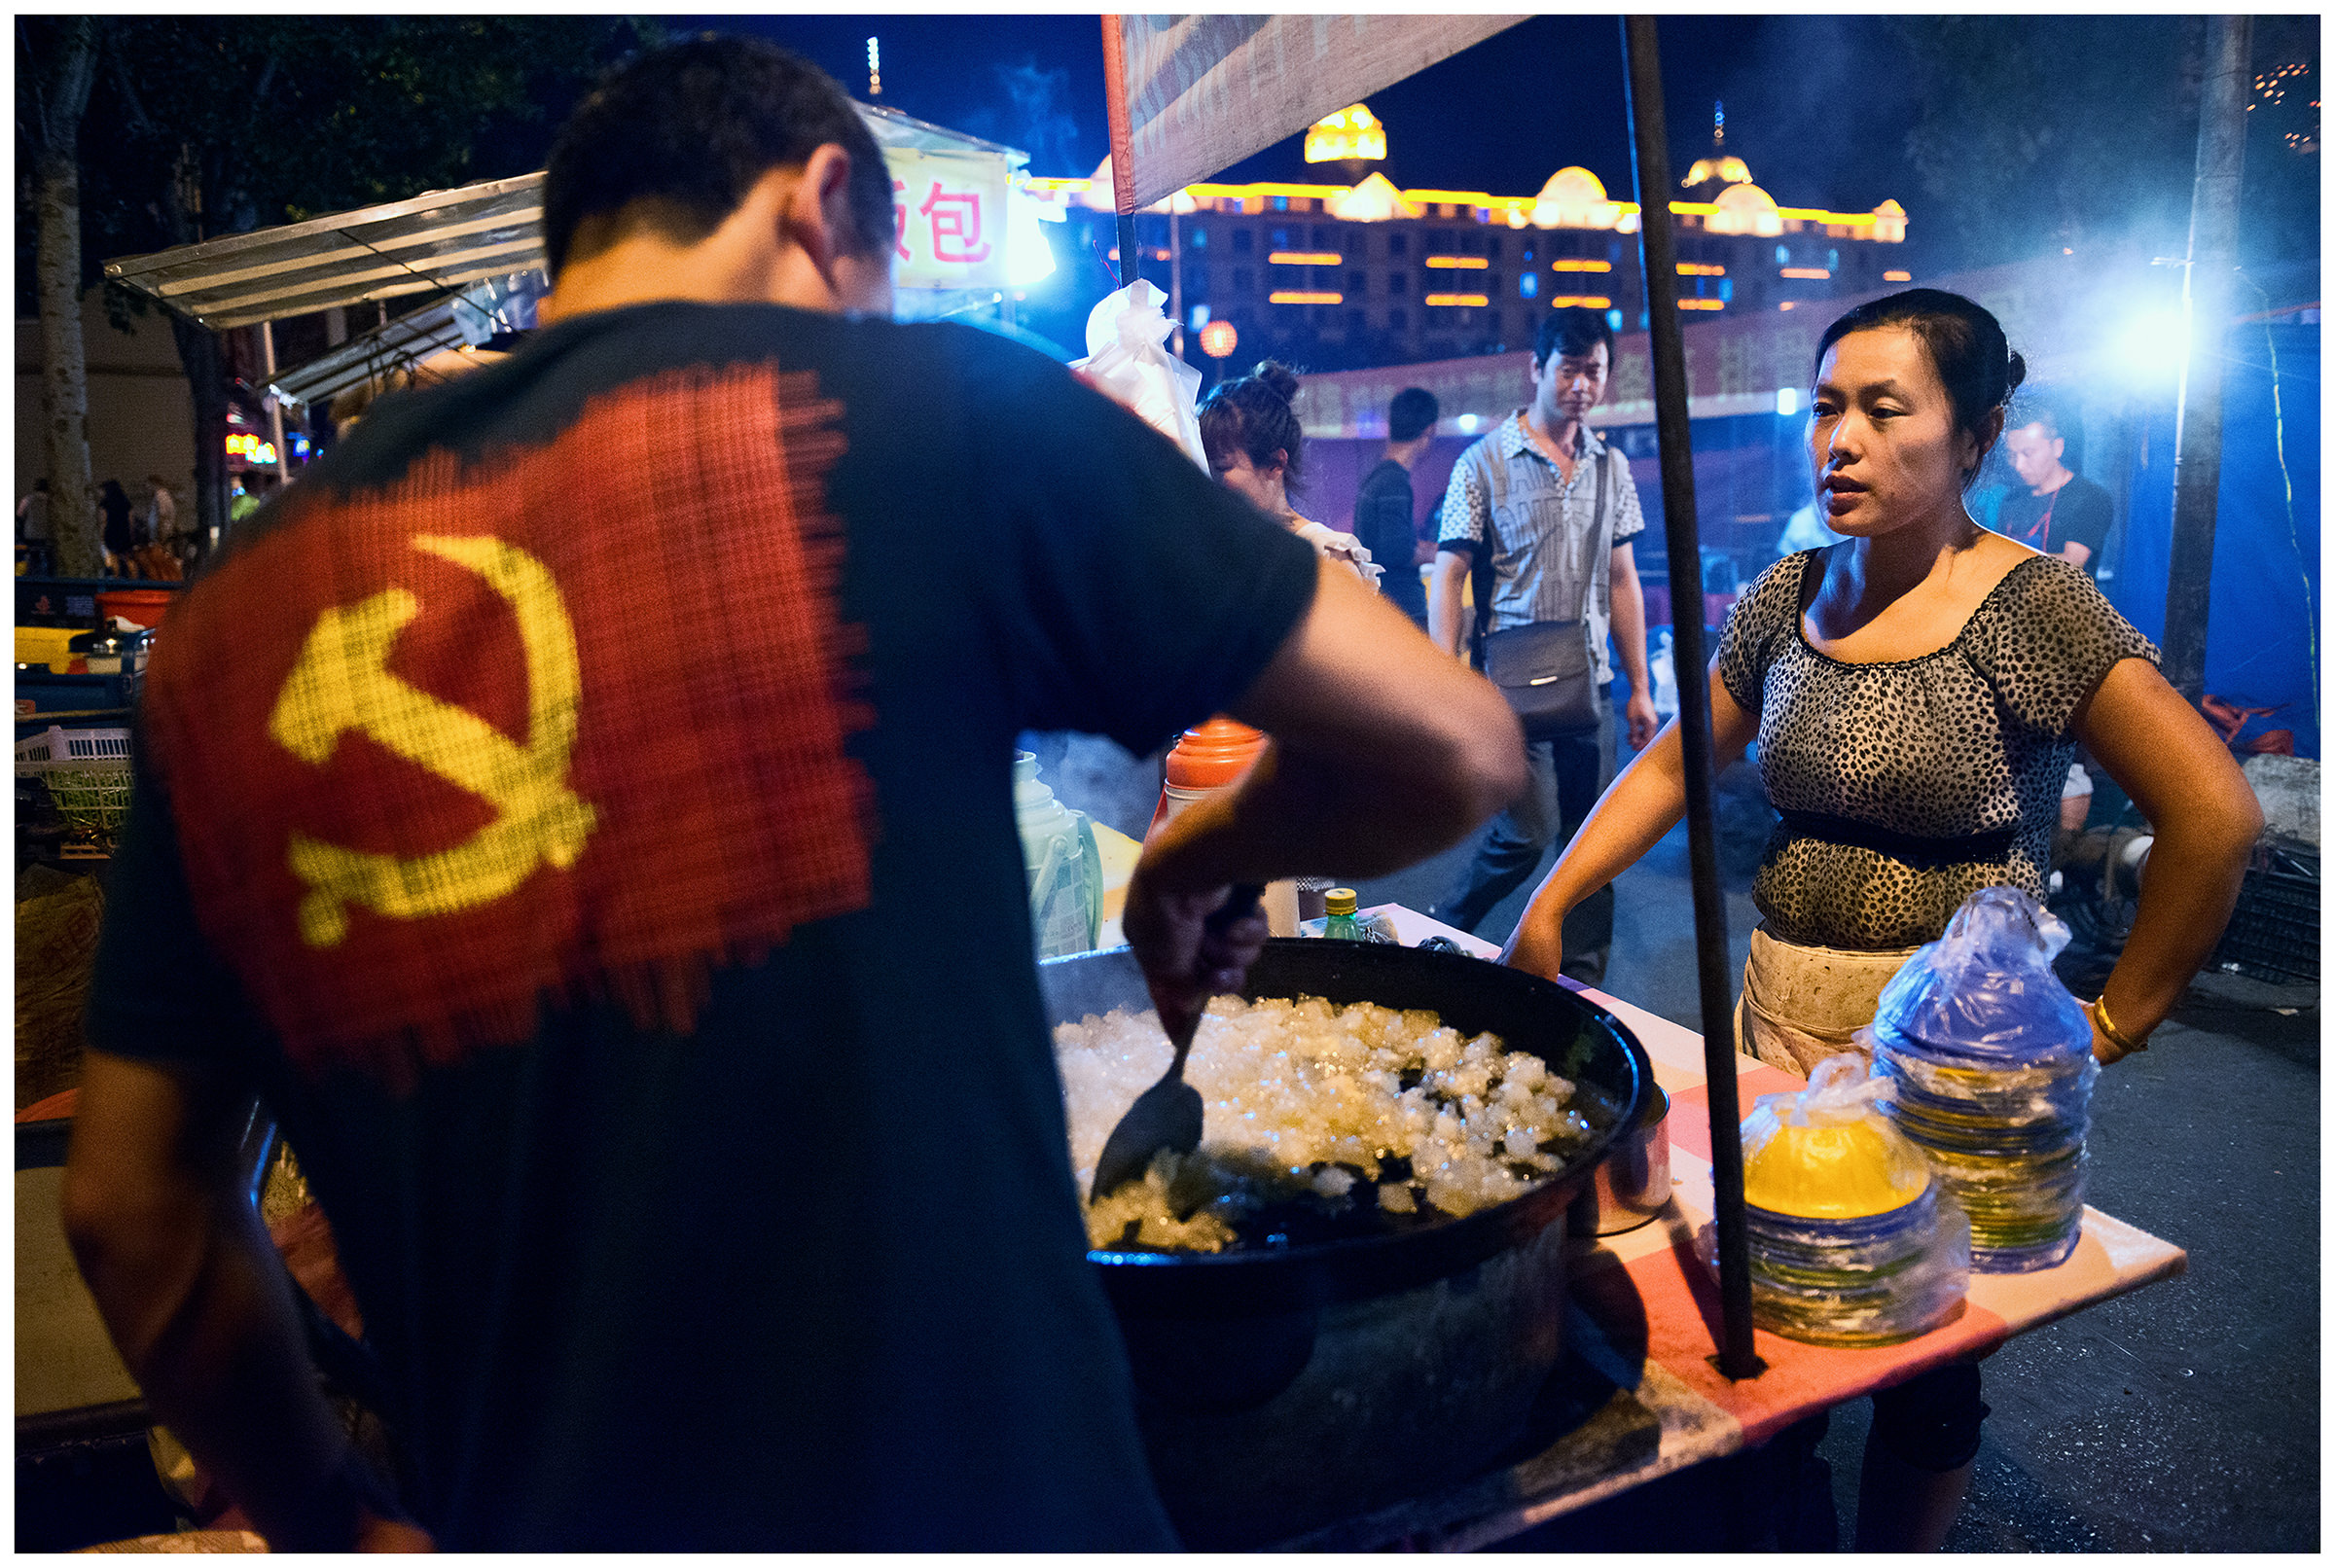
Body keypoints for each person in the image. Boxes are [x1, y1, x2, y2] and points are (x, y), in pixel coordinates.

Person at [61, 36, 1525, 1554]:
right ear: (825, 205)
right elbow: (1452, 742)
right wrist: (1194, 861)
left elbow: (132, 1213)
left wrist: (325, 1518)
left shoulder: (234, 616)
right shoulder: (927, 416)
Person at [1502, 288, 2260, 1550]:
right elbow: (1679, 761)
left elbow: (2215, 816)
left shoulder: (2031, 609)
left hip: (1947, 1048)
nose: (1838, 439)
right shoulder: (1785, 597)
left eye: (1883, 410)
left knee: (1926, 1352)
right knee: (1776, 1305)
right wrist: (1554, 892)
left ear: (1975, 436)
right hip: (1781, 1015)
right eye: (1826, 408)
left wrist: (2110, 1024)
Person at [1424, 306, 1660, 982]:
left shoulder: (1612, 467)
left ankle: (1582, 977)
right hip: (1510, 682)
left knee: (1594, 842)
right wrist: (1444, 672)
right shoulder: (1484, 462)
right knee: (1526, 834)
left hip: (1591, 677)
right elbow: (1449, 573)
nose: (1582, 384)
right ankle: (1444, 924)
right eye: (1569, 369)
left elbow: (1622, 578)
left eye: (1595, 371)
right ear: (1536, 369)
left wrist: (1640, 684)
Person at [1199, 360, 1381, 588]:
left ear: (1276, 463)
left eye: (1222, 467)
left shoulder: (1325, 555)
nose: (1207, 480)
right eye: (1203, 466)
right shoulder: (1214, 551)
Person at [1353, 386, 1440, 627]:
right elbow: (1398, 551)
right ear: (1429, 431)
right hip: (1402, 612)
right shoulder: (1395, 483)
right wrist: (1441, 554)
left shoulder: (1380, 477)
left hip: (1384, 609)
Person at [1997, 408, 2112, 575]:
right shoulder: (2012, 499)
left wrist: (2004, 562)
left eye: (2028, 453)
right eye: (2012, 455)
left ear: (2057, 447)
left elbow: (2072, 563)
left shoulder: (2090, 496)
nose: (2018, 465)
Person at [96, 478, 135, 574]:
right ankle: (133, 577)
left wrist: (101, 536)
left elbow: (103, 521)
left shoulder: (105, 503)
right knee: (127, 558)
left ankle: (116, 578)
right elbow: (131, 520)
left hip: (111, 532)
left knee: (113, 557)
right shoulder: (126, 502)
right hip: (124, 532)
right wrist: (131, 534)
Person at [18, 477, 52, 574]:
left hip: (30, 534)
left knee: (32, 557)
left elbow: (19, 516)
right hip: (47, 535)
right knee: (48, 557)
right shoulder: (52, 501)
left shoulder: (27, 500)